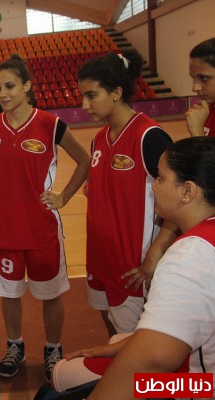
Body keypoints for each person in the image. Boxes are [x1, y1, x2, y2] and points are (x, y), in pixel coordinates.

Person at [51, 136, 215, 399]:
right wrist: (119, 348)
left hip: (202, 387)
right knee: (117, 343)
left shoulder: (190, 255)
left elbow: (154, 358)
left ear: (187, 191)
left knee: (61, 375)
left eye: (160, 178)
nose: (153, 186)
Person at [0, 54, 90, 382]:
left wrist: (63, 197)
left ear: (27, 86)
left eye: (10, 86)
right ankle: (15, 346)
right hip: (3, 228)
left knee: (50, 294)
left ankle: (53, 348)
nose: (2, 93)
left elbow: (84, 161)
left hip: (42, 228)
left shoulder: (51, 124)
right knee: (9, 294)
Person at [78, 50, 176, 336]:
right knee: (113, 332)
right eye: (82, 96)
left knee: (136, 345)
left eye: (92, 95)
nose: (84, 105)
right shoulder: (99, 138)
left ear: (116, 92)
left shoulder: (150, 136)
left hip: (132, 265)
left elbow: (181, 202)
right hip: (100, 258)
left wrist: (154, 254)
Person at [187, 37, 215, 136]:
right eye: (193, 78)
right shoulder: (208, 110)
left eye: (203, 78)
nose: (195, 88)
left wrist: (197, 132)